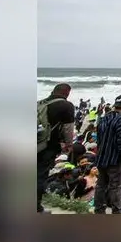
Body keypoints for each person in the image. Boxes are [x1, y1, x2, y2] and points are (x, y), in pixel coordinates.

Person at [93, 94, 121, 214]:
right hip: (114, 160)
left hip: (102, 157)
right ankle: (116, 211)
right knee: (116, 187)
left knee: (101, 185)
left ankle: (99, 209)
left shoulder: (104, 117)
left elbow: (100, 139)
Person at [37, 83, 77, 213]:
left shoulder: (41, 103)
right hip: (48, 146)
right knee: (40, 175)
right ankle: (37, 207)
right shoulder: (66, 106)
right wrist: (69, 145)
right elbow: (68, 128)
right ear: (67, 93)